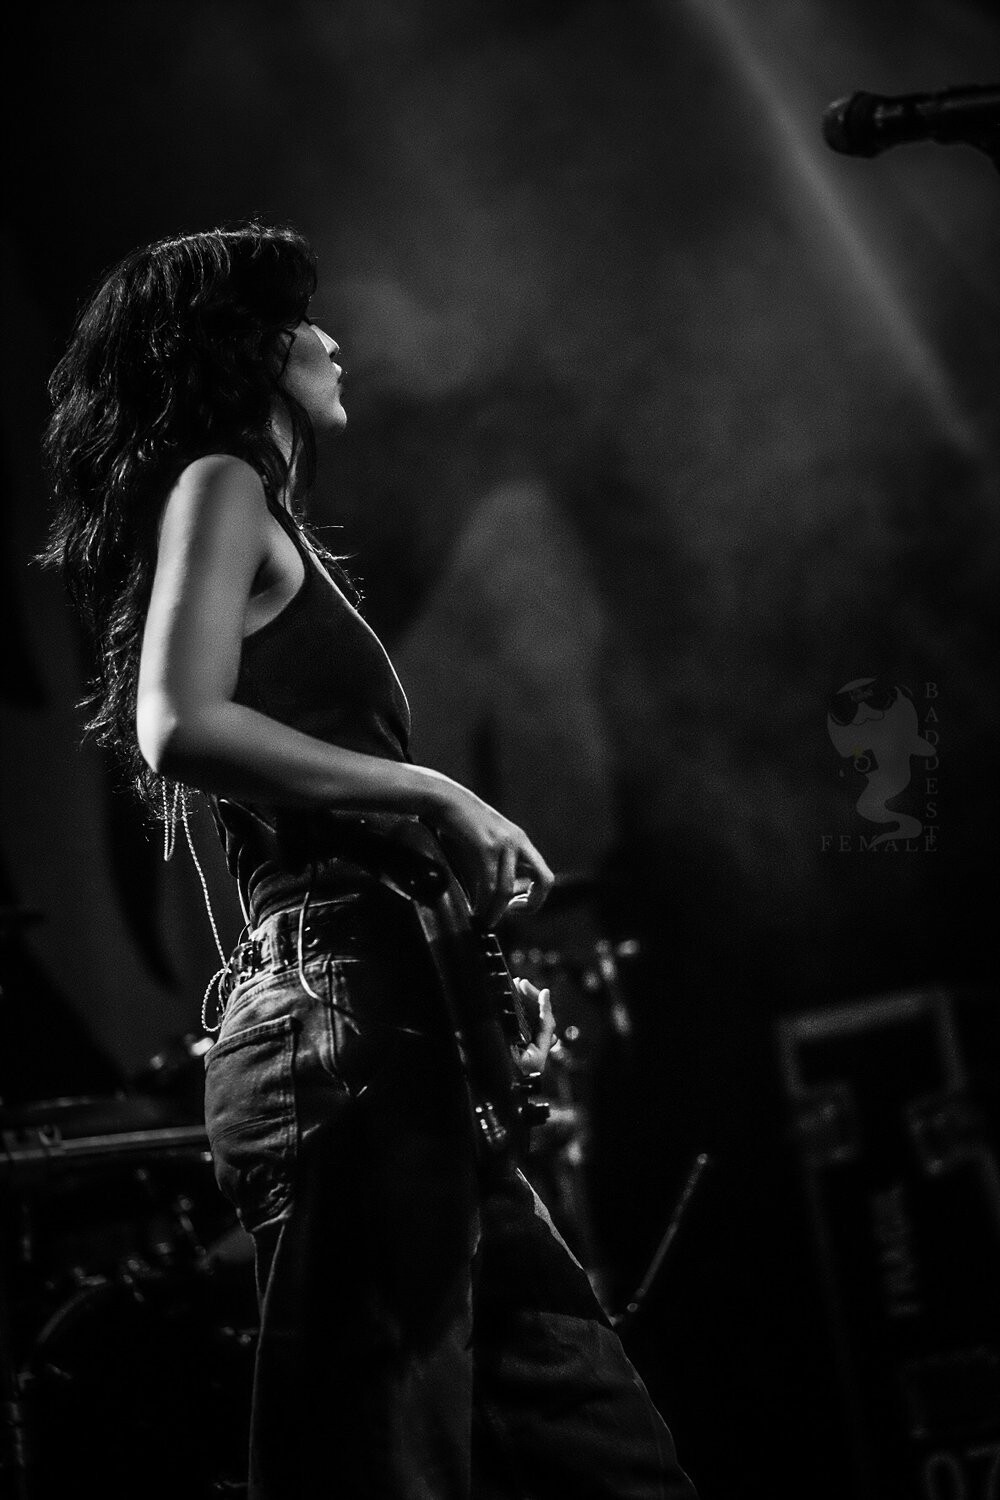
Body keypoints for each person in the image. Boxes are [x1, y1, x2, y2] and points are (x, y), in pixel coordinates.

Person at [42, 222, 698, 1500]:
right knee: (385, 1461)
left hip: (387, 1026)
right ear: (248, 348)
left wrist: (467, 991)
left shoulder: (255, 518)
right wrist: (435, 789)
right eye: (304, 318)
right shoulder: (220, 483)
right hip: (343, 1038)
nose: (333, 340)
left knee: (601, 1445)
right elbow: (177, 724)